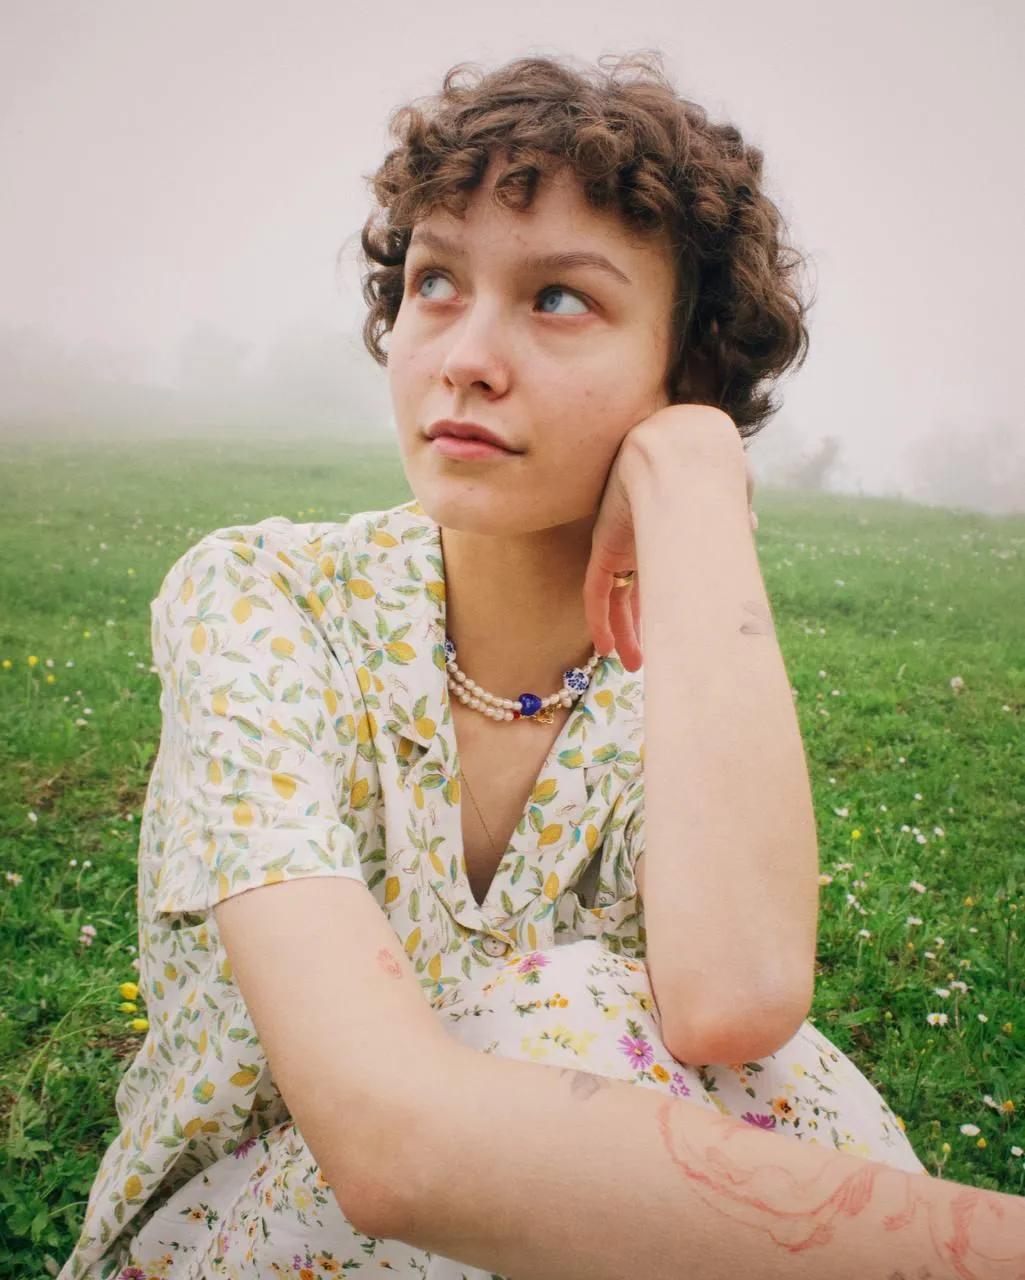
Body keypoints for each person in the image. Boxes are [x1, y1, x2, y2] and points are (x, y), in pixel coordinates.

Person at [60, 51, 1025, 1280]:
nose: (462, 352)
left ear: (684, 368)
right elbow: (390, 1143)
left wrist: (692, 472)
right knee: (564, 1014)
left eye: (559, 298)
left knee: (755, 1070)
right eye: (435, 281)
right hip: (243, 1232)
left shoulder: (669, 686)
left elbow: (736, 1003)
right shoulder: (261, 599)